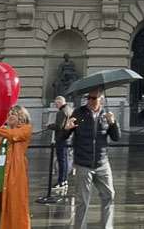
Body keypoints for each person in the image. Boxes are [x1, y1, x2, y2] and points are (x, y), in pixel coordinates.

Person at [58, 88, 121, 229]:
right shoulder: (78, 113)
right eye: (89, 98)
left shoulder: (106, 115)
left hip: (102, 163)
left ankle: (107, 227)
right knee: (83, 201)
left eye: (94, 98)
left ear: (101, 99)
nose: (91, 101)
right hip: (83, 163)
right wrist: (66, 128)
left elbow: (116, 137)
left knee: (109, 195)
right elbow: (62, 138)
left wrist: (113, 123)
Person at [0, 105, 33, 229]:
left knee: (9, 213)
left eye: (13, 114)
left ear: (21, 117)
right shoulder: (4, 134)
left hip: (12, 178)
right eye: (9, 114)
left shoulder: (25, 129)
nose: (10, 116)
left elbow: (13, 135)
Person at [47, 96, 73, 191]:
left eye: (56, 103)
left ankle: (61, 181)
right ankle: (64, 180)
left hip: (61, 138)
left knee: (61, 160)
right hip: (68, 138)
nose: (56, 105)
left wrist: (50, 126)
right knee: (65, 160)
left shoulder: (61, 112)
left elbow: (59, 126)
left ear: (60, 102)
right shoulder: (69, 109)